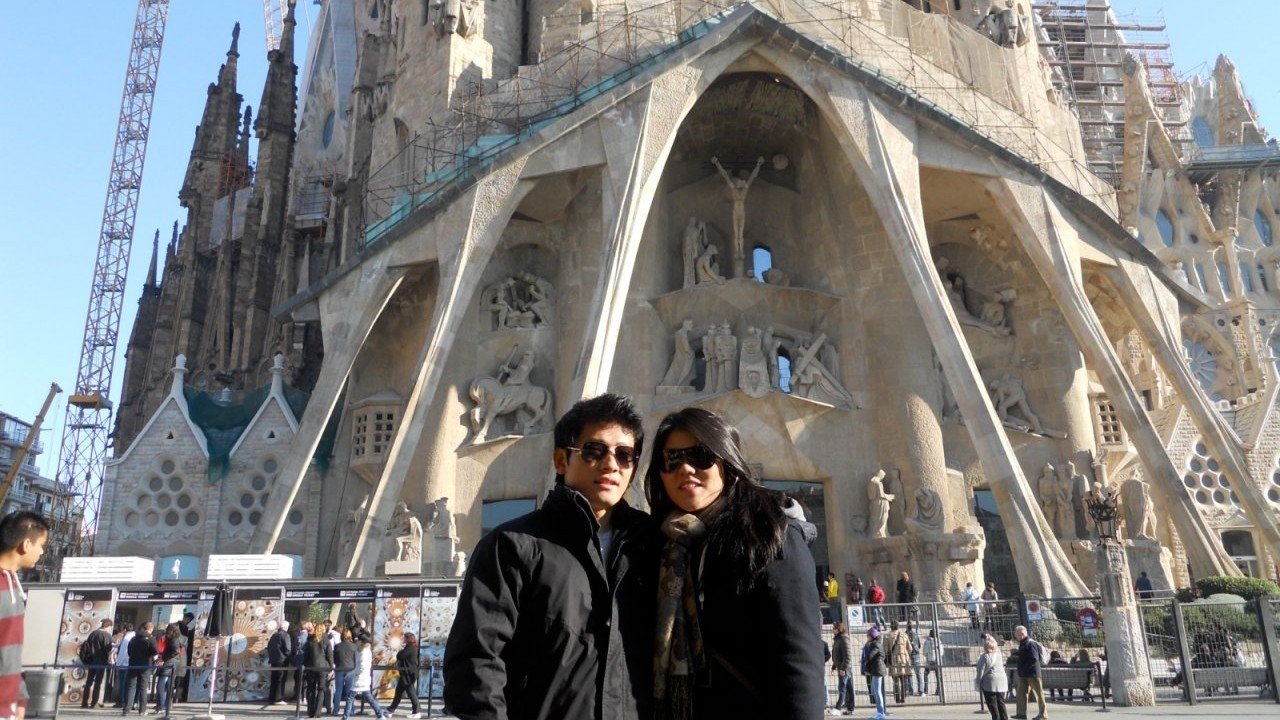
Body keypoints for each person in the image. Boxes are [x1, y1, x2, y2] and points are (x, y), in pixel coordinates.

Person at [444, 394, 657, 720]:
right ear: (561, 460)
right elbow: (476, 661)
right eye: (594, 450)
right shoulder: (512, 546)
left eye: (624, 455)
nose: (611, 464)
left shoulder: (650, 544)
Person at [647, 407, 825, 718]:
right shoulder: (663, 544)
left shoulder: (771, 535)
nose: (685, 468)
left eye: (700, 456)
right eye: (672, 459)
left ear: (726, 463)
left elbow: (798, 662)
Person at [0, 511, 48, 720]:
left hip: (7, 705)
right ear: (26, 544)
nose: (42, 551)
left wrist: (20, 697)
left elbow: (10, 651)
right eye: (41, 545)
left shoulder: (12, 585)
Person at [123, 622, 158, 716]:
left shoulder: (134, 638)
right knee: (143, 688)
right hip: (145, 666)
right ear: (151, 629)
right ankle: (142, 710)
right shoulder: (151, 639)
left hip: (133, 664)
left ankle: (126, 710)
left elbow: (129, 651)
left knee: (131, 687)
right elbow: (155, 652)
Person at [1012, 625, 1046, 720]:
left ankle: (1043, 714)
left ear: (1021, 634)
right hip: (1024, 673)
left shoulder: (1030, 643)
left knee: (1039, 694)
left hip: (1032, 673)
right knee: (1021, 694)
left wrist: (1025, 668)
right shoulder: (1023, 643)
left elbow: (1034, 658)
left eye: (1016, 634)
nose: (1015, 636)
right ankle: (1021, 713)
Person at [346, 642, 387, 720]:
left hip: (360, 679)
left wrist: (351, 674)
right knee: (369, 698)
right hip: (363, 679)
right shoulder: (363, 651)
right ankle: (380, 714)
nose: (356, 641)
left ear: (361, 642)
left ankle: (345, 717)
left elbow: (361, 668)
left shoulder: (363, 652)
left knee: (350, 698)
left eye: (357, 640)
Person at [81, 619, 115, 709]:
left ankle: (84, 702)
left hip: (91, 660)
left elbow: (87, 645)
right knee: (98, 683)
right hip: (101, 661)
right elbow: (108, 649)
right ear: (108, 626)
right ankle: (94, 702)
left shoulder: (93, 633)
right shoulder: (107, 635)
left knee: (89, 682)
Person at [386, 632, 421, 718]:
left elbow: (400, 655)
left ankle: (417, 712)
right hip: (405, 673)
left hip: (409, 674)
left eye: (405, 638)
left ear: (408, 639)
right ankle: (390, 710)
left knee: (411, 693)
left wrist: (400, 652)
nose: (403, 639)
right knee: (398, 693)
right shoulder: (409, 647)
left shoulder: (411, 648)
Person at [975, 635, 1009, 720]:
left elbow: (980, 671)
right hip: (1002, 682)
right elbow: (993, 642)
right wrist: (988, 636)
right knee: (1001, 703)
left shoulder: (985, 657)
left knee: (993, 705)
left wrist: (978, 683)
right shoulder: (999, 654)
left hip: (990, 683)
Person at [303, 626, 333, 718]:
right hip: (323, 667)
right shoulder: (326, 640)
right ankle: (317, 712)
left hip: (311, 667)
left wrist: (305, 665)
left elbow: (305, 655)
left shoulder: (310, 640)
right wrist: (331, 667)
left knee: (311, 689)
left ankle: (310, 711)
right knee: (321, 689)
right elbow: (330, 655)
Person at [155, 624, 185, 714]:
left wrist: (163, 659)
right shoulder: (177, 639)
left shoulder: (173, 640)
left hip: (169, 663)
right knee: (169, 686)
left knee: (160, 686)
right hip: (173, 663)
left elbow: (175, 651)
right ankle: (166, 706)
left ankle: (161, 706)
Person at [884, 621, 913, 704]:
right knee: (903, 680)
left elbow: (885, 650)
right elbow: (910, 649)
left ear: (890, 626)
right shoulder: (904, 635)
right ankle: (903, 697)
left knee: (895, 681)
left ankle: (897, 698)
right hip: (904, 659)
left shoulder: (887, 636)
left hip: (894, 660)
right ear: (898, 626)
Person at [861, 626, 888, 720]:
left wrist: (864, 660)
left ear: (872, 636)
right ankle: (879, 712)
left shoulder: (875, 644)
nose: (867, 637)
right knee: (874, 691)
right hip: (875, 670)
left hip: (878, 670)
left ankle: (881, 713)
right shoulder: (874, 643)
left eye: (868, 635)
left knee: (877, 691)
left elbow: (870, 655)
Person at [331, 628, 356, 718]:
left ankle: (335, 710)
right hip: (350, 669)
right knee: (350, 691)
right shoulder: (354, 646)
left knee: (338, 690)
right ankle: (351, 710)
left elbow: (334, 659)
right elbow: (355, 659)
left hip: (339, 669)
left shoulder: (337, 646)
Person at [831, 622, 855, 715]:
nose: (833, 630)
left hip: (844, 668)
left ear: (839, 629)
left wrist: (843, 668)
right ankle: (850, 708)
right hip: (840, 666)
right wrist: (834, 666)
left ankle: (838, 708)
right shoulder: (838, 639)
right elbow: (837, 655)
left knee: (842, 688)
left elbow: (847, 656)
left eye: (834, 628)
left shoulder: (844, 639)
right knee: (848, 688)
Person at [268, 620, 294, 704]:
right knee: (281, 679)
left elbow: (269, 647)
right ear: (286, 627)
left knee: (274, 679)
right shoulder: (286, 635)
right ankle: (278, 699)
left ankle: (272, 698)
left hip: (274, 660)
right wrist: (289, 657)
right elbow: (288, 648)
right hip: (282, 660)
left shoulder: (274, 635)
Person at [113, 623, 135, 708]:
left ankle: (121, 701)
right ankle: (127, 701)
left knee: (123, 684)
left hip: (124, 664)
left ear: (125, 630)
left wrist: (118, 664)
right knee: (129, 684)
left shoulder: (126, 638)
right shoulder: (134, 636)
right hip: (131, 664)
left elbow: (122, 653)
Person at [922, 629, 941, 696]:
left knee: (925, 674)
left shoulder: (927, 641)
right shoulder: (938, 641)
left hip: (929, 661)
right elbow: (941, 652)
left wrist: (928, 655)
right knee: (938, 676)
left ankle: (926, 690)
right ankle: (938, 690)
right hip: (937, 660)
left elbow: (924, 652)